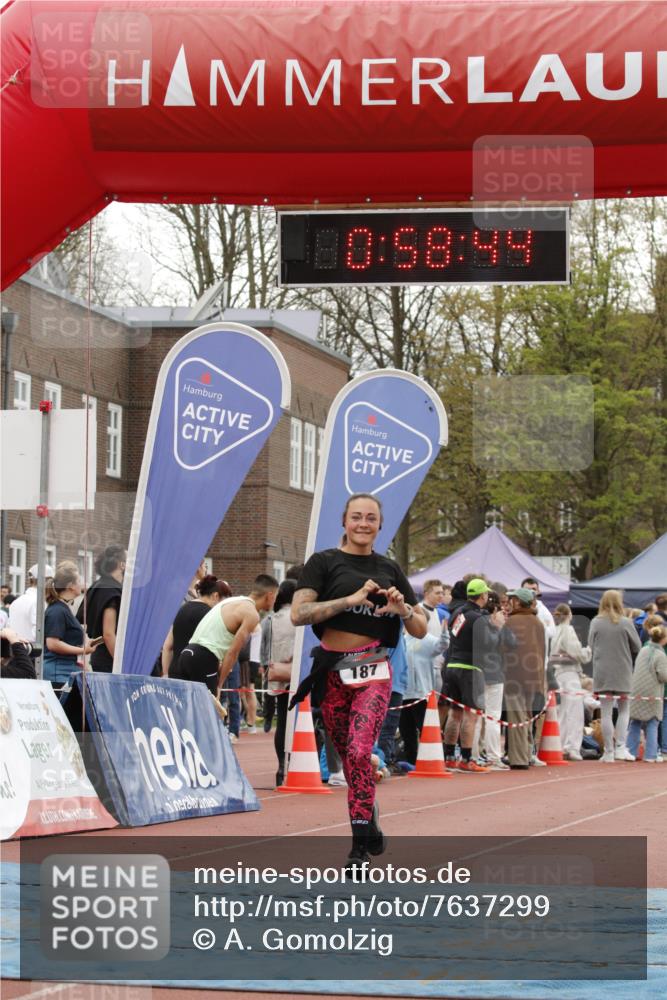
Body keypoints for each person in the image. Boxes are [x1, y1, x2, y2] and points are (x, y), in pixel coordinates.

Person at [290, 493, 426, 870]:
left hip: (373, 671)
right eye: (356, 517)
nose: (363, 523)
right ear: (344, 521)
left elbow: (420, 627)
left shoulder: (389, 569)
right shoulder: (323, 562)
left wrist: (403, 609)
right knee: (351, 764)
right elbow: (299, 614)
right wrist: (350, 600)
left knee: (358, 752)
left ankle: (358, 849)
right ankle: (370, 819)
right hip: (331, 673)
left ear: (380, 525)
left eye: (370, 518)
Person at [171, 574, 279, 695]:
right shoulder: (251, 614)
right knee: (209, 705)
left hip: (186, 654)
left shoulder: (230, 601)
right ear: (270, 595)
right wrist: (219, 685)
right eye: (276, 597)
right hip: (204, 658)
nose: (275, 601)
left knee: (187, 705)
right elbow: (233, 652)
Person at [442, 578, 496, 772]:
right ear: (483, 595)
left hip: (452, 665)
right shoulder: (479, 617)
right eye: (486, 593)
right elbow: (489, 644)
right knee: (471, 715)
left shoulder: (458, 613)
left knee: (454, 713)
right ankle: (466, 759)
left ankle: (449, 756)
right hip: (470, 668)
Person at [589, 589, 641, 762]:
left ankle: (608, 751)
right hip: (623, 671)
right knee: (624, 710)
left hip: (602, 671)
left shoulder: (596, 622)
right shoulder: (626, 622)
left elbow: (590, 645)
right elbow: (637, 646)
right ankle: (620, 747)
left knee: (606, 712)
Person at [503, 586, 546, 770]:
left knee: (517, 717)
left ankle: (519, 758)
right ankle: (527, 753)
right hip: (534, 677)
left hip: (515, 676)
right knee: (527, 717)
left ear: (518, 602)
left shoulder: (511, 622)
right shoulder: (538, 623)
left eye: (512, 599)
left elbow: (505, 648)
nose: (510, 602)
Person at [261, 578, 297, 785]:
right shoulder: (300, 617)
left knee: (282, 721)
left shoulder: (270, 620)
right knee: (301, 721)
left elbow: (265, 650)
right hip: (298, 674)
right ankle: (296, 763)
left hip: (278, 674)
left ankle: (281, 765)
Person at [43, 562, 100, 689]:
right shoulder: (57, 610)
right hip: (57, 671)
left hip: (64, 668)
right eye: (79, 581)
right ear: (70, 586)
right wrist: (83, 650)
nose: (82, 584)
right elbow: (52, 643)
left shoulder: (62, 608)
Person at [401, 618, 449, 764]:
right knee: (406, 730)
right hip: (403, 694)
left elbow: (442, 645)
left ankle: (434, 759)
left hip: (421, 693)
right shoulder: (402, 639)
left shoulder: (427, 639)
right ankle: (411, 761)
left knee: (426, 729)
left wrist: (444, 632)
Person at [164, 576, 231, 676]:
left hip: (176, 672)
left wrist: (166, 674)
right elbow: (216, 651)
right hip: (200, 675)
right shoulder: (211, 615)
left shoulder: (182, 609)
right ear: (216, 596)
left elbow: (167, 646)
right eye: (224, 603)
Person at [550, 603, 592, 760]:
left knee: (562, 712)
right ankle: (573, 747)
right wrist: (588, 651)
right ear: (569, 615)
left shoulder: (555, 631)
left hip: (558, 674)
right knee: (575, 712)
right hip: (569, 674)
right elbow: (577, 653)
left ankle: (560, 746)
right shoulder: (568, 630)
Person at [76, 545, 126, 672]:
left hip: (102, 654)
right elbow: (108, 633)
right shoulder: (110, 590)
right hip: (110, 658)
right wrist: (123, 665)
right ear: (122, 565)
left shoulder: (98, 586)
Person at [626, 624, 667, 762]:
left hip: (637, 690)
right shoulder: (661, 655)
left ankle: (630, 751)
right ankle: (650, 755)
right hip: (652, 692)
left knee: (635, 721)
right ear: (663, 639)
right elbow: (663, 676)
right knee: (652, 722)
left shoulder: (643, 650)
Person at [8, 563, 54, 643]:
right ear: (47, 581)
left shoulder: (15, 602)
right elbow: (38, 634)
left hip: (15, 647)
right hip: (33, 648)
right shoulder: (39, 603)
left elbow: (9, 628)